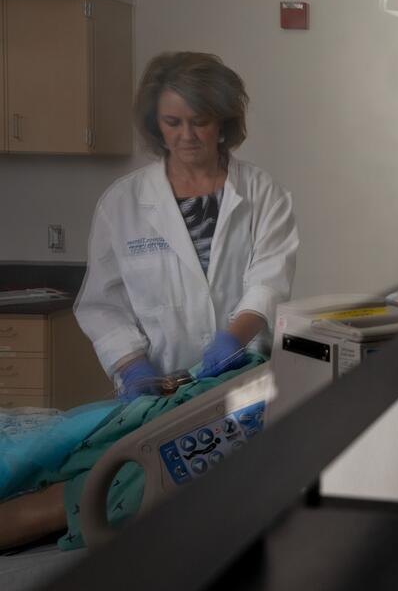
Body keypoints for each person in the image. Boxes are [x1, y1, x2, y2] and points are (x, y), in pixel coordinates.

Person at [75, 52, 299, 400]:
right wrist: (132, 366)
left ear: (223, 122)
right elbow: (102, 304)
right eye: (173, 122)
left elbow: (269, 280)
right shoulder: (122, 203)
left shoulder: (262, 192)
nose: (187, 135)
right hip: (157, 387)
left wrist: (233, 339)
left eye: (200, 121)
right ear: (156, 124)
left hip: (242, 375)